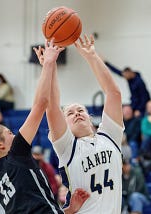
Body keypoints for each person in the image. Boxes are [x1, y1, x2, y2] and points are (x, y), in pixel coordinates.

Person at [0, 39, 90, 214]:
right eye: (9, 133)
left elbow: (32, 207)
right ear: (0, 145)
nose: (14, 135)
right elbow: (41, 104)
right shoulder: (15, 153)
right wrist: (48, 63)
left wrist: (68, 210)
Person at [38, 35, 124, 213]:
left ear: (90, 117)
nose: (77, 113)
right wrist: (50, 65)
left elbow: (113, 93)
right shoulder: (67, 147)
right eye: (70, 113)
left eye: (81, 110)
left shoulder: (110, 136)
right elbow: (52, 106)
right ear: (65, 125)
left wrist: (92, 56)